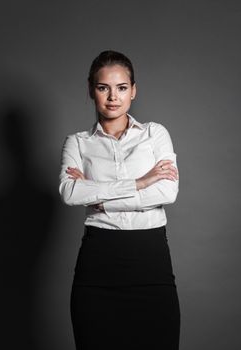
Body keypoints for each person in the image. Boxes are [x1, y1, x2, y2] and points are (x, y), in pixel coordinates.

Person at [58, 50, 180, 350]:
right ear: (91, 90)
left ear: (133, 91)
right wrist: (140, 183)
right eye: (103, 88)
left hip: (151, 263)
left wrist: (100, 197)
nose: (113, 97)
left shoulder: (155, 134)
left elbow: (167, 192)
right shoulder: (77, 143)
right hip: (98, 264)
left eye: (122, 87)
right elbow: (70, 192)